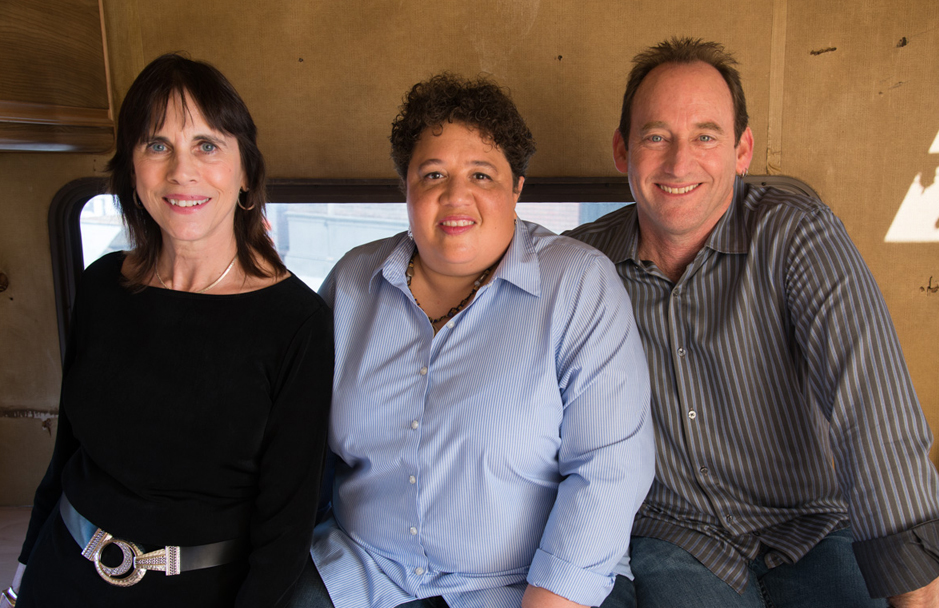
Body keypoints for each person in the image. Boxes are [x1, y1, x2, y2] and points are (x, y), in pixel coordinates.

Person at [566, 37, 939, 608]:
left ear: (742, 151)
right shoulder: (580, 268)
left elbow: (874, 416)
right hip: (674, 536)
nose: (679, 162)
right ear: (623, 150)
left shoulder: (796, 233)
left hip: (815, 525)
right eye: (656, 136)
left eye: (705, 136)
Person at [289, 73, 654, 608]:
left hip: (524, 585)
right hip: (363, 574)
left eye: (482, 175)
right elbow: (299, 444)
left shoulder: (578, 286)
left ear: (517, 189)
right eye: (432, 174)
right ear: (406, 187)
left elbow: (609, 471)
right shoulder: (351, 284)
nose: (455, 196)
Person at [1, 54, 333, 608]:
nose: (182, 171)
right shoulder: (102, 285)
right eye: (157, 145)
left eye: (207, 145)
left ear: (245, 169)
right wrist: (27, 567)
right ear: (133, 169)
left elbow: (285, 528)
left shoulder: (296, 321)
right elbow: (66, 456)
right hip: (61, 574)